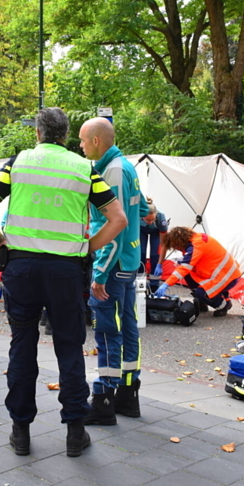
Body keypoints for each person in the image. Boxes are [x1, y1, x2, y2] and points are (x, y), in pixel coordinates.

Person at [0, 107, 128, 458]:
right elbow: (118, 219)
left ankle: (21, 431)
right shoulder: (84, 168)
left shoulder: (18, 163)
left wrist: (0, 241)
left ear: (38, 133)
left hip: (21, 269)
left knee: (22, 346)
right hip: (66, 271)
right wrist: (88, 247)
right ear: (66, 135)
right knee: (69, 347)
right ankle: (75, 432)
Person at [78, 117, 151, 425]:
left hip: (114, 263)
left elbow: (114, 227)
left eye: (83, 140)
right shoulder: (125, 166)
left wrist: (100, 274)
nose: (80, 146)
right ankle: (127, 394)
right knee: (128, 327)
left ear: (96, 141)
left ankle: (104, 400)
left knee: (108, 332)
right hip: (128, 261)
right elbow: (144, 210)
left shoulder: (112, 172)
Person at [155, 227, 242, 316]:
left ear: (179, 242)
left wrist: (166, 284)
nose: (177, 249)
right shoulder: (196, 238)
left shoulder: (196, 246)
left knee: (201, 293)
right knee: (188, 274)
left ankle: (224, 305)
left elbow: (184, 268)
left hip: (227, 277)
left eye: (176, 247)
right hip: (220, 273)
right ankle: (202, 301)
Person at [140, 197, 168, 274]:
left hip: (156, 231)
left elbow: (164, 244)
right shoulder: (137, 214)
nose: (150, 222)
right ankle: (140, 276)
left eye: (153, 219)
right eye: (148, 220)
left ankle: (154, 278)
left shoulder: (161, 218)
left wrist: (160, 264)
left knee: (155, 255)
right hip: (141, 230)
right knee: (141, 253)